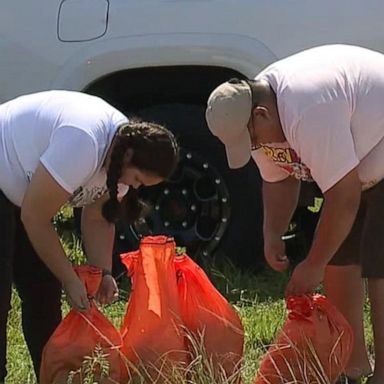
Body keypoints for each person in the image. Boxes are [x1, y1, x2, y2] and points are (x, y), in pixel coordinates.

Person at [204, 44, 384, 383]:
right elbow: (279, 180)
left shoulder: (307, 108)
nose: (255, 149)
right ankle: (352, 365)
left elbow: (342, 198)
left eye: (253, 141)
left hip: (377, 145)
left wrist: (311, 264)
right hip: (361, 162)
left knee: (380, 265)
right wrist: (273, 232)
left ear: (261, 115)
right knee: (337, 260)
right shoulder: (256, 112)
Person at [0, 90, 179, 382]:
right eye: (137, 180)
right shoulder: (84, 142)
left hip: (24, 195)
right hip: (6, 172)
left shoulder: (121, 156)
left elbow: (98, 217)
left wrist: (103, 272)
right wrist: (70, 278)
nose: (134, 188)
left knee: (44, 291)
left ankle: (51, 375)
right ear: (130, 157)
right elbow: (35, 217)